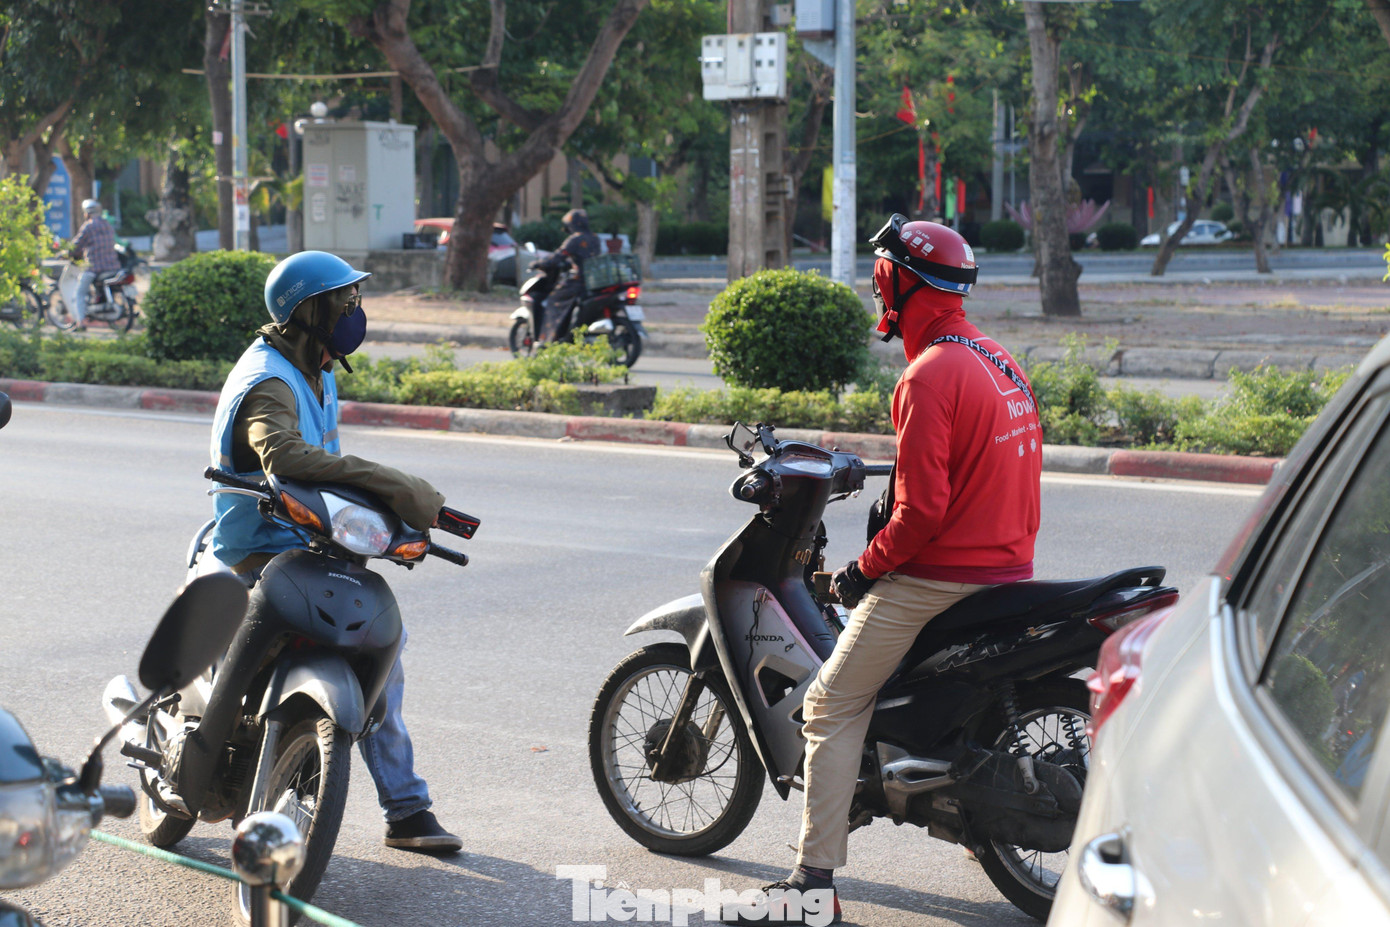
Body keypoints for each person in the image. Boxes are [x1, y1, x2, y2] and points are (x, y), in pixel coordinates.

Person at [728, 215, 1042, 925]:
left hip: (941, 576)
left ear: (899, 282)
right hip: (1007, 569)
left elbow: (922, 512)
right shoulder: (997, 359)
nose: (876, 286)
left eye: (881, 275)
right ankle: (976, 827)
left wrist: (861, 571)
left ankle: (812, 885)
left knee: (830, 704)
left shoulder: (928, 376)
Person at [207, 250, 463, 852]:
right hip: (258, 552)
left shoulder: (316, 369)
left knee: (382, 657)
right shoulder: (269, 377)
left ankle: (405, 809)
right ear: (308, 311)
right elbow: (284, 455)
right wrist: (387, 480)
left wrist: (395, 520)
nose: (355, 311)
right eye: (343, 301)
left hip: (310, 543)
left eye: (355, 298)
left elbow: (325, 477)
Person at [531, 208, 600, 342]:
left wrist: (539, 263)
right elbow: (586, 257)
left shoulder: (575, 239)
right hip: (593, 280)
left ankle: (550, 337)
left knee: (552, 299)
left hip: (579, 281)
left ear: (572, 224)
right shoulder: (595, 237)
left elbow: (558, 256)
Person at [68, 198, 120, 331]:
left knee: (79, 293)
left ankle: (81, 322)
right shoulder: (107, 224)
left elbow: (76, 245)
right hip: (113, 266)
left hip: (94, 268)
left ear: (87, 212)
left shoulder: (89, 226)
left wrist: (66, 252)